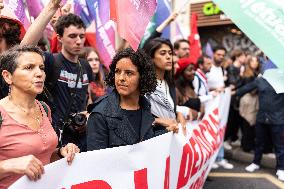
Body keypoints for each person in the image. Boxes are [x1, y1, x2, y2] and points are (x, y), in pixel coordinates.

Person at [0, 45, 79, 188]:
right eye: (29, 67)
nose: (39, 74)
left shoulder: (44, 108)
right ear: (8, 76)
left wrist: (61, 153)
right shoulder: (1, 113)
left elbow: (43, 157)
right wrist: (8, 165)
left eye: (41, 68)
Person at [21, 1, 94, 152]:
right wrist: (50, 8)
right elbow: (23, 50)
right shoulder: (50, 61)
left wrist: (87, 114)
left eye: (82, 36)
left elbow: (87, 98)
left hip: (81, 137)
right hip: (55, 139)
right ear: (59, 38)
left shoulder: (85, 66)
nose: (79, 41)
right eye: (73, 36)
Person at [87, 48, 168, 150]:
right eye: (117, 72)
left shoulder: (146, 107)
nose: (121, 78)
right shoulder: (99, 115)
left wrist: (168, 131)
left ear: (142, 77)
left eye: (129, 73)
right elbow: (95, 161)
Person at [233, 76, 284, 181]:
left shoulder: (282, 81)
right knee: (259, 142)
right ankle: (256, 163)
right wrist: (232, 92)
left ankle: (281, 168)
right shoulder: (261, 80)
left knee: (279, 145)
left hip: (278, 119)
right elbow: (246, 88)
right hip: (262, 117)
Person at [143, 38, 185, 133]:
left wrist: (178, 114)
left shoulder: (170, 83)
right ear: (151, 57)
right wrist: (158, 121)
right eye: (163, 53)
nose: (168, 57)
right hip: (152, 140)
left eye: (170, 53)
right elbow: (135, 117)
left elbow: (168, 109)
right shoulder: (143, 85)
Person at [206, 45, 234, 169]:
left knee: (220, 129)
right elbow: (202, 87)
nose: (221, 57)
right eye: (219, 54)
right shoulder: (208, 68)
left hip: (221, 105)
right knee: (210, 131)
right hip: (209, 106)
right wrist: (214, 89)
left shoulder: (223, 69)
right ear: (213, 54)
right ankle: (210, 159)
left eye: (223, 55)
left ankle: (220, 157)